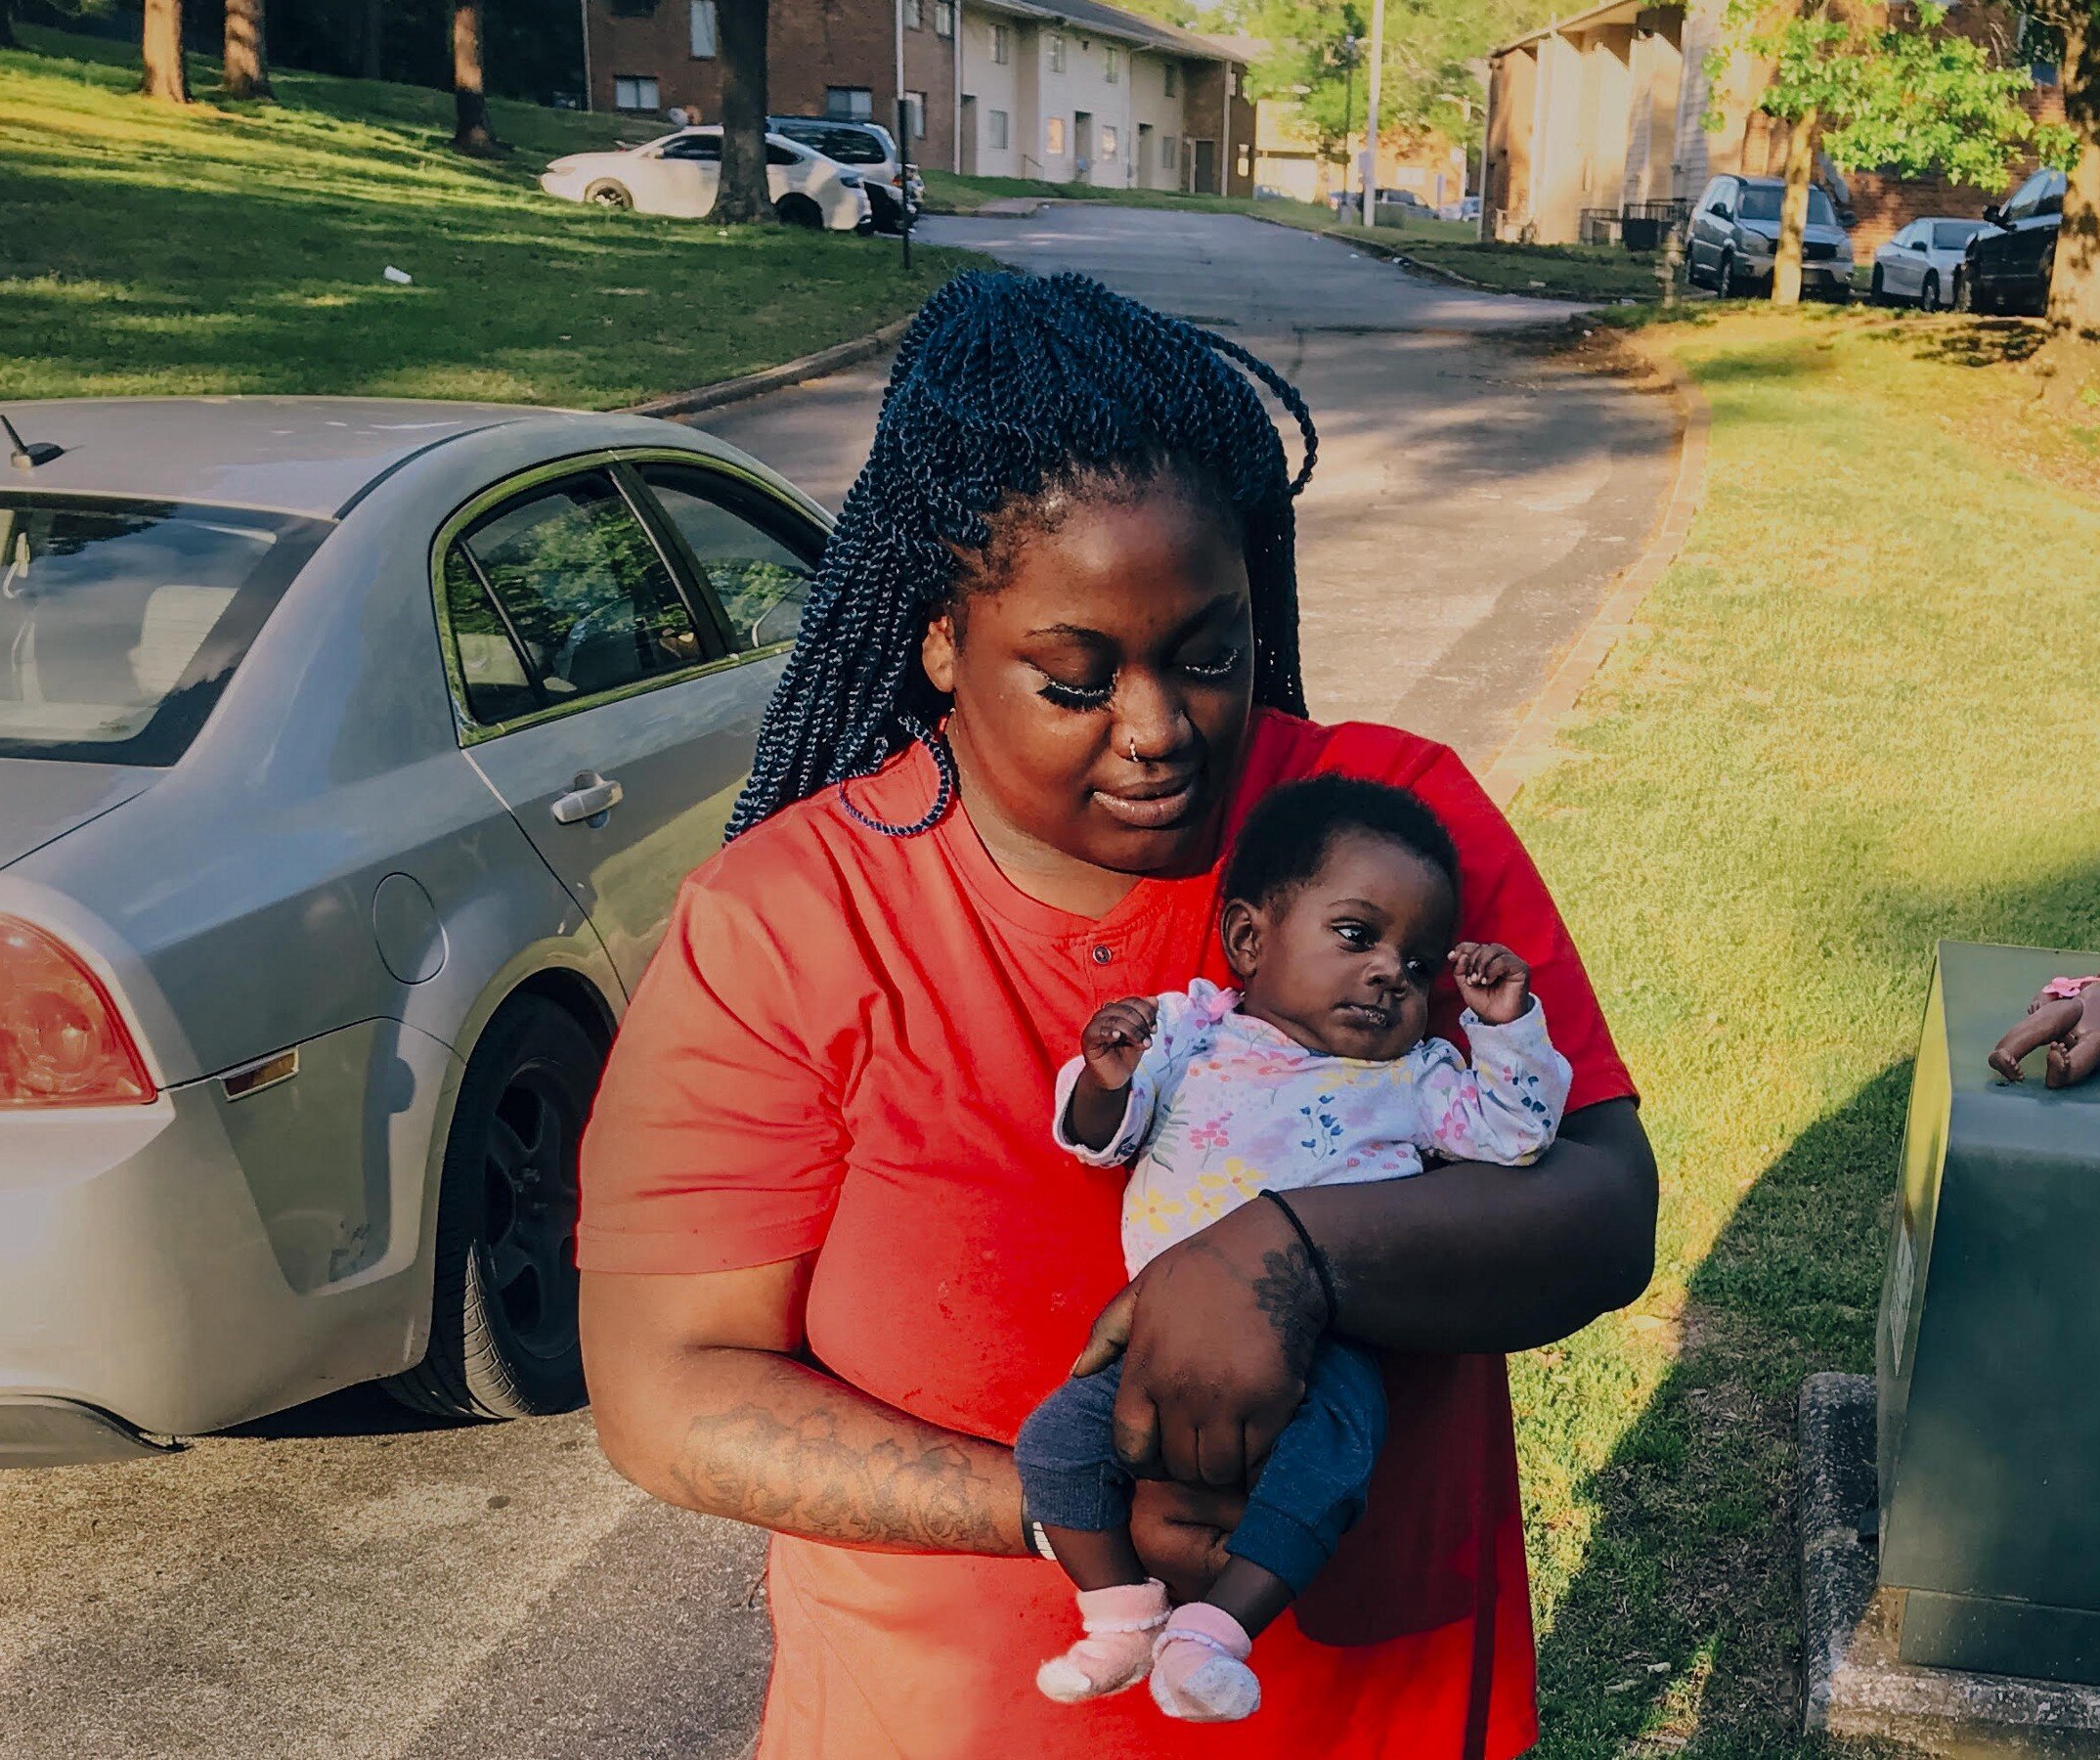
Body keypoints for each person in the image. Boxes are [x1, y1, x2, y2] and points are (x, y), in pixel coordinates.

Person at [575, 269, 1656, 1760]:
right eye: (1075, 679)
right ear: (942, 639)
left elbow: (1602, 1211)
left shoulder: (1388, 832)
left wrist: (1288, 1261)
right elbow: (662, 1388)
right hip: (953, 1719)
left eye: (1208, 655)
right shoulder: (786, 922)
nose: (1160, 730)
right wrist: (1062, 1504)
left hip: (1366, 1709)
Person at [1021, 776, 1575, 1723]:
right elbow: (1098, 1139)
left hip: (1335, 1343)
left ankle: (1218, 1635)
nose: (1392, 972)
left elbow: (1516, 1137)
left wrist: (1501, 1024)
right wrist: (1108, 1076)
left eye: (1421, 960)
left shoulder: (1415, 1076)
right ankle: (1120, 1614)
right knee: (1058, 1444)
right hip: (1162, 1340)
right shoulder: (1191, 1034)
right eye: (1357, 936)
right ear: (1249, 940)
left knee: (1325, 1475)